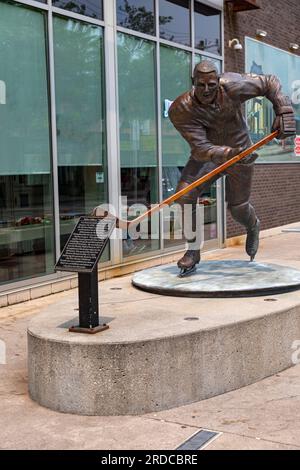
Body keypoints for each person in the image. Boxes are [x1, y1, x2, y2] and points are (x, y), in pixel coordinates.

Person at [169, 60, 296, 277]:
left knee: (237, 208)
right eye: (201, 85)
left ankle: (253, 225)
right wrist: (229, 155)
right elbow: (200, 148)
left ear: (218, 81)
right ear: (193, 83)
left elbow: (269, 82)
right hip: (207, 156)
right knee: (185, 195)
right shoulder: (181, 109)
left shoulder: (232, 85)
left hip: (242, 151)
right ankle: (192, 250)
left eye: (211, 84)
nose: (207, 90)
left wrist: (283, 109)